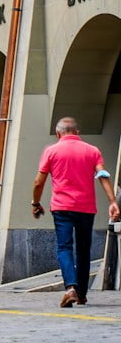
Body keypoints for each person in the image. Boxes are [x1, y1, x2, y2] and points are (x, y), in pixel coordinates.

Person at [31, 117, 120, 308]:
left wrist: (36, 203)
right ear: (77, 133)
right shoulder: (92, 150)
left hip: (62, 207)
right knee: (83, 250)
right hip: (86, 207)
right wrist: (112, 201)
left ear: (58, 133)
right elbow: (102, 175)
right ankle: (81, 295)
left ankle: (70, 288)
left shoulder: (51, 151)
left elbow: (39, 182)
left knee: (64, 247)